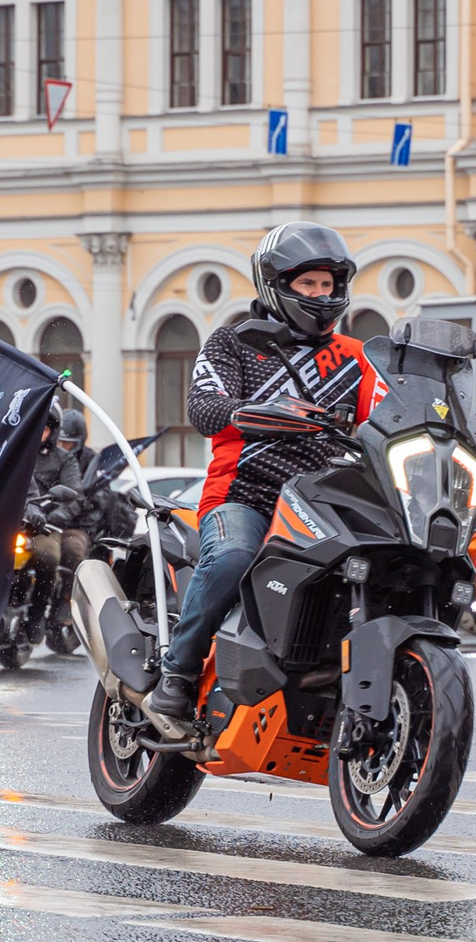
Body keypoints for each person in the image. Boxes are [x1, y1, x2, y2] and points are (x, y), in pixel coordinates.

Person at [146, 223, 376, 726]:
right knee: (232, 558)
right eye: (307, 284)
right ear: (276, 284)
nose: (320, 294)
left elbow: (389, 419)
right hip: (245, 496)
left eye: (327, 284)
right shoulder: (233, 343)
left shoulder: (358, 358)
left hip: (327, 501)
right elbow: (205, 407)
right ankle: (177, 674)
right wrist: (253, 411)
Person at [29, 409, 93, 590]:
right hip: (14, 522)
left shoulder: (66, 459)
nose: (65, 445)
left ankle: (40, 611)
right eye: (38, 428)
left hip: (46, 525)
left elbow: (74, 492)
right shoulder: (20, 453)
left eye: (45, 430)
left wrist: (59, 513)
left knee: (48, 556)